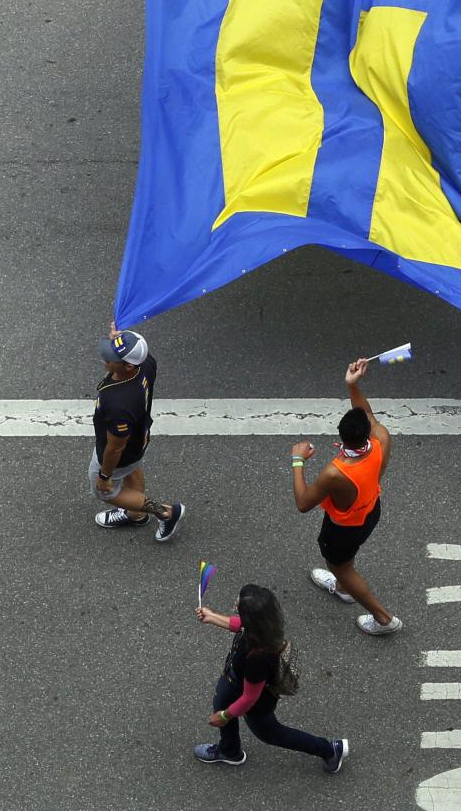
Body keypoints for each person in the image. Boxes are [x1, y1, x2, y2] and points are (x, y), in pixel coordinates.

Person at [291, 358, 403, 636]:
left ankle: (383, 618)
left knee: (338, 564)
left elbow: (303, 503)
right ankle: (342, 588)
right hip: (370, 512)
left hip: (343, 529)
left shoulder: (335, 473)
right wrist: (353, 385)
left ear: (341, 437)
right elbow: (366, 414)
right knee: (347, 559)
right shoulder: (381, 438)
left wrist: (297, 461)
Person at [194, 583, 348, 771]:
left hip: (254, 701)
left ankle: (329, 749)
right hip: (234, 679)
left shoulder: (258, 658)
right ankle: (229, 751)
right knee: (221, 702)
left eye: (239, 603)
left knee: (271, 734)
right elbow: (240, 625)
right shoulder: (264, 627)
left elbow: (250, 698)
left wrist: (225, 716)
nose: (236, 602)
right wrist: (212, 617)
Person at [91, 322, 185, 541]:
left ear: (128, 366)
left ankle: (166, 512)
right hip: (138, 439)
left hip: (120, 450)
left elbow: (115, 448)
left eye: (112, 357)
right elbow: (138, 350)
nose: (105, 358)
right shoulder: (145, 364)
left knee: (105, 491)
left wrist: (104, 476)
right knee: (130, 470)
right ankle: (135, 515)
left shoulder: (117, 403)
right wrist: (120, 340)